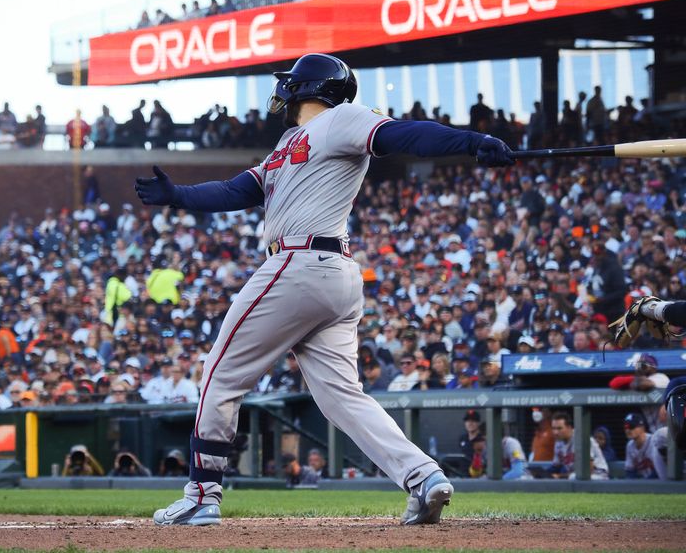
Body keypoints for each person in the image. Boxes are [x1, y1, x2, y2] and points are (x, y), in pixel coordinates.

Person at [135, 52, 513, 526]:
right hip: (333, 274)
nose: (284, 89)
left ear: (309, 87)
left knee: (220, 373)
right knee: (341, 397)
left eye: (291, 82)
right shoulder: (290, 143)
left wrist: (473, 141)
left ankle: (201, 494)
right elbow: (236, 192)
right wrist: (179, 196)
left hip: (298, 263)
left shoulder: (342, 119)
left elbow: (405, 135)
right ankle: (423, 476)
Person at [549, 411, 608, 480]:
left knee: (573, 477)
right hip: (575, 476)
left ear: (569, 427)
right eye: (553, 428)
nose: (555, 432)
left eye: (559, 428)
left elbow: (588, 470)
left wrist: (560, 476)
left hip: (598, 475)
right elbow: (555, 466)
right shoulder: (558, 442)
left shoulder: (581, 438)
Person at [622, 413, 659, 479]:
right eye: (626, 427)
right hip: (642, 482)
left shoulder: (654, 441)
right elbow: (630, 471)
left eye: (631, 427)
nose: (627, 430)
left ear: (642, 428)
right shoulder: (629, 445)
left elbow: (658, 469)